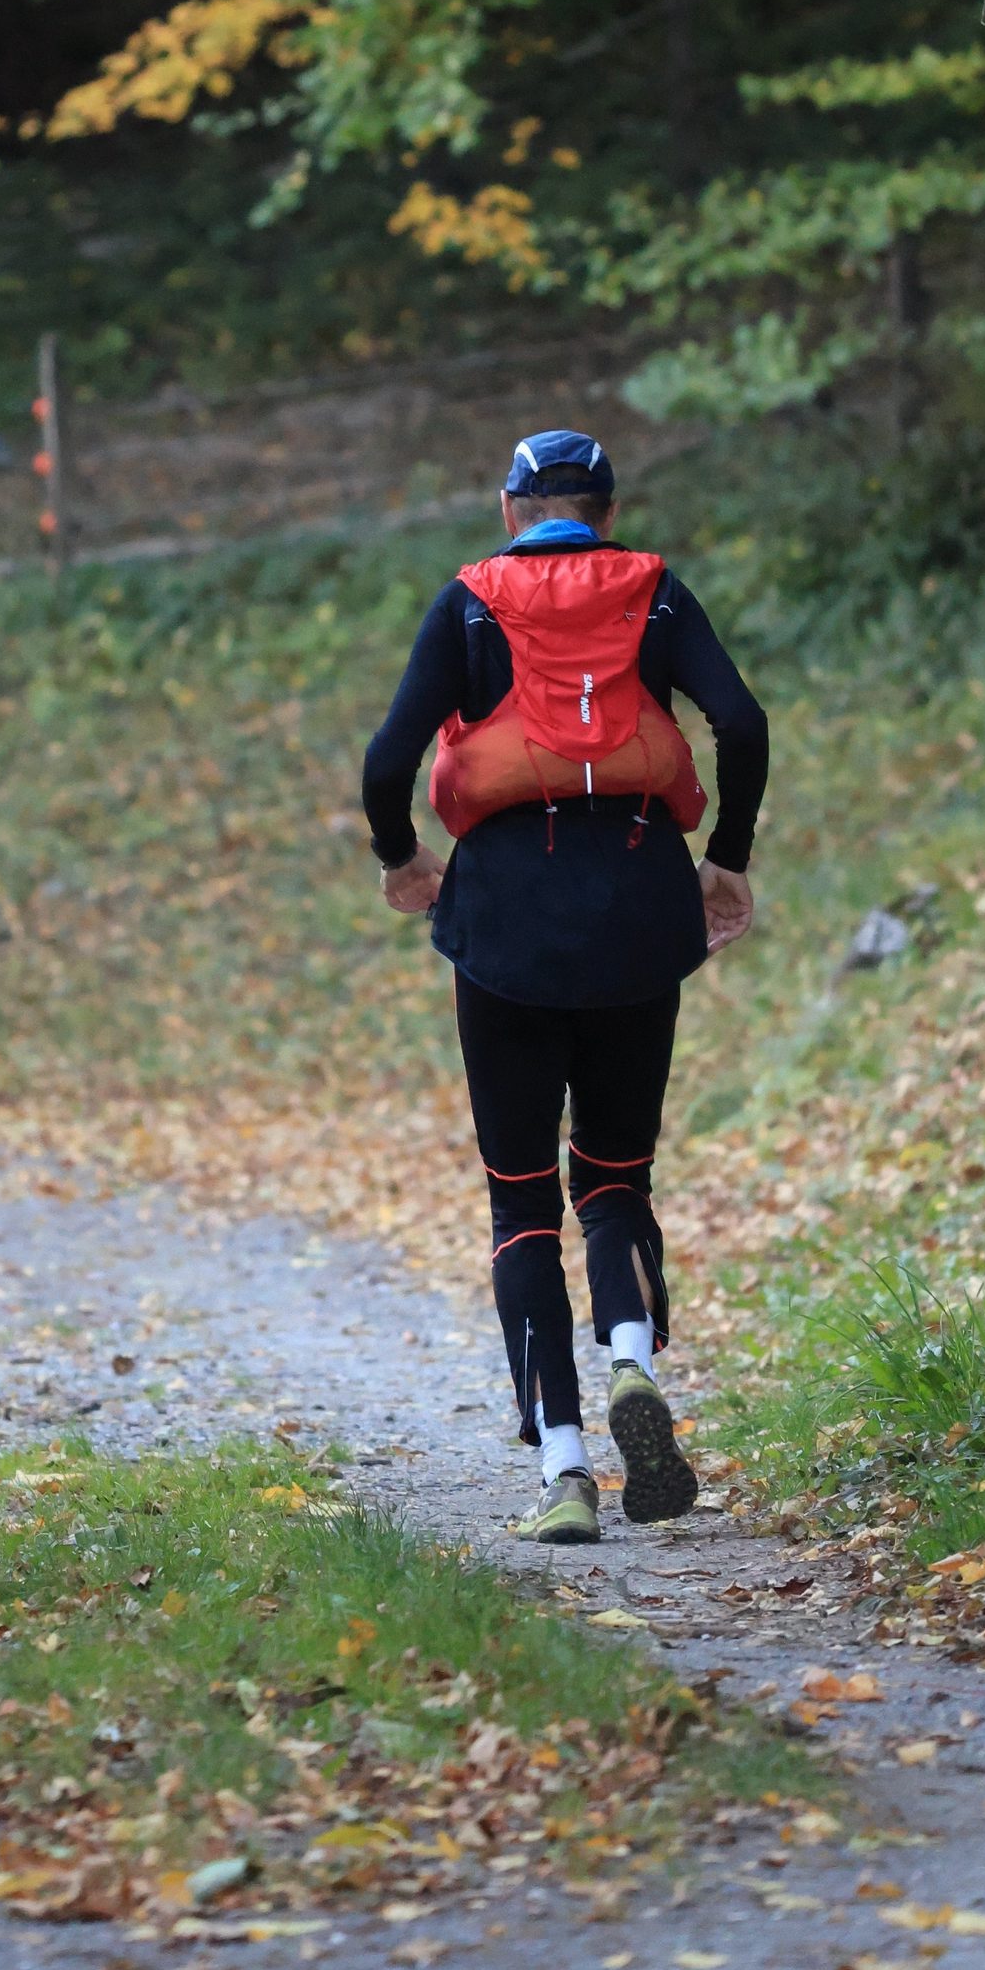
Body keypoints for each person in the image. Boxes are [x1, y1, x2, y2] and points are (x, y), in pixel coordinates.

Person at [361, 428, 767, 1544]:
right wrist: (726, 858)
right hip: (639, 900)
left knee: (520, 1200)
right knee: (616, 1174)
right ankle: (633, 1360)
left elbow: (388, 758)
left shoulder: (468, 604)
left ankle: (566, 1469)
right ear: (607, 511)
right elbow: (739, 722)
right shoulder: (654, 590)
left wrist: (398, 858)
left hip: (503, 918)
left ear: (509, 510)